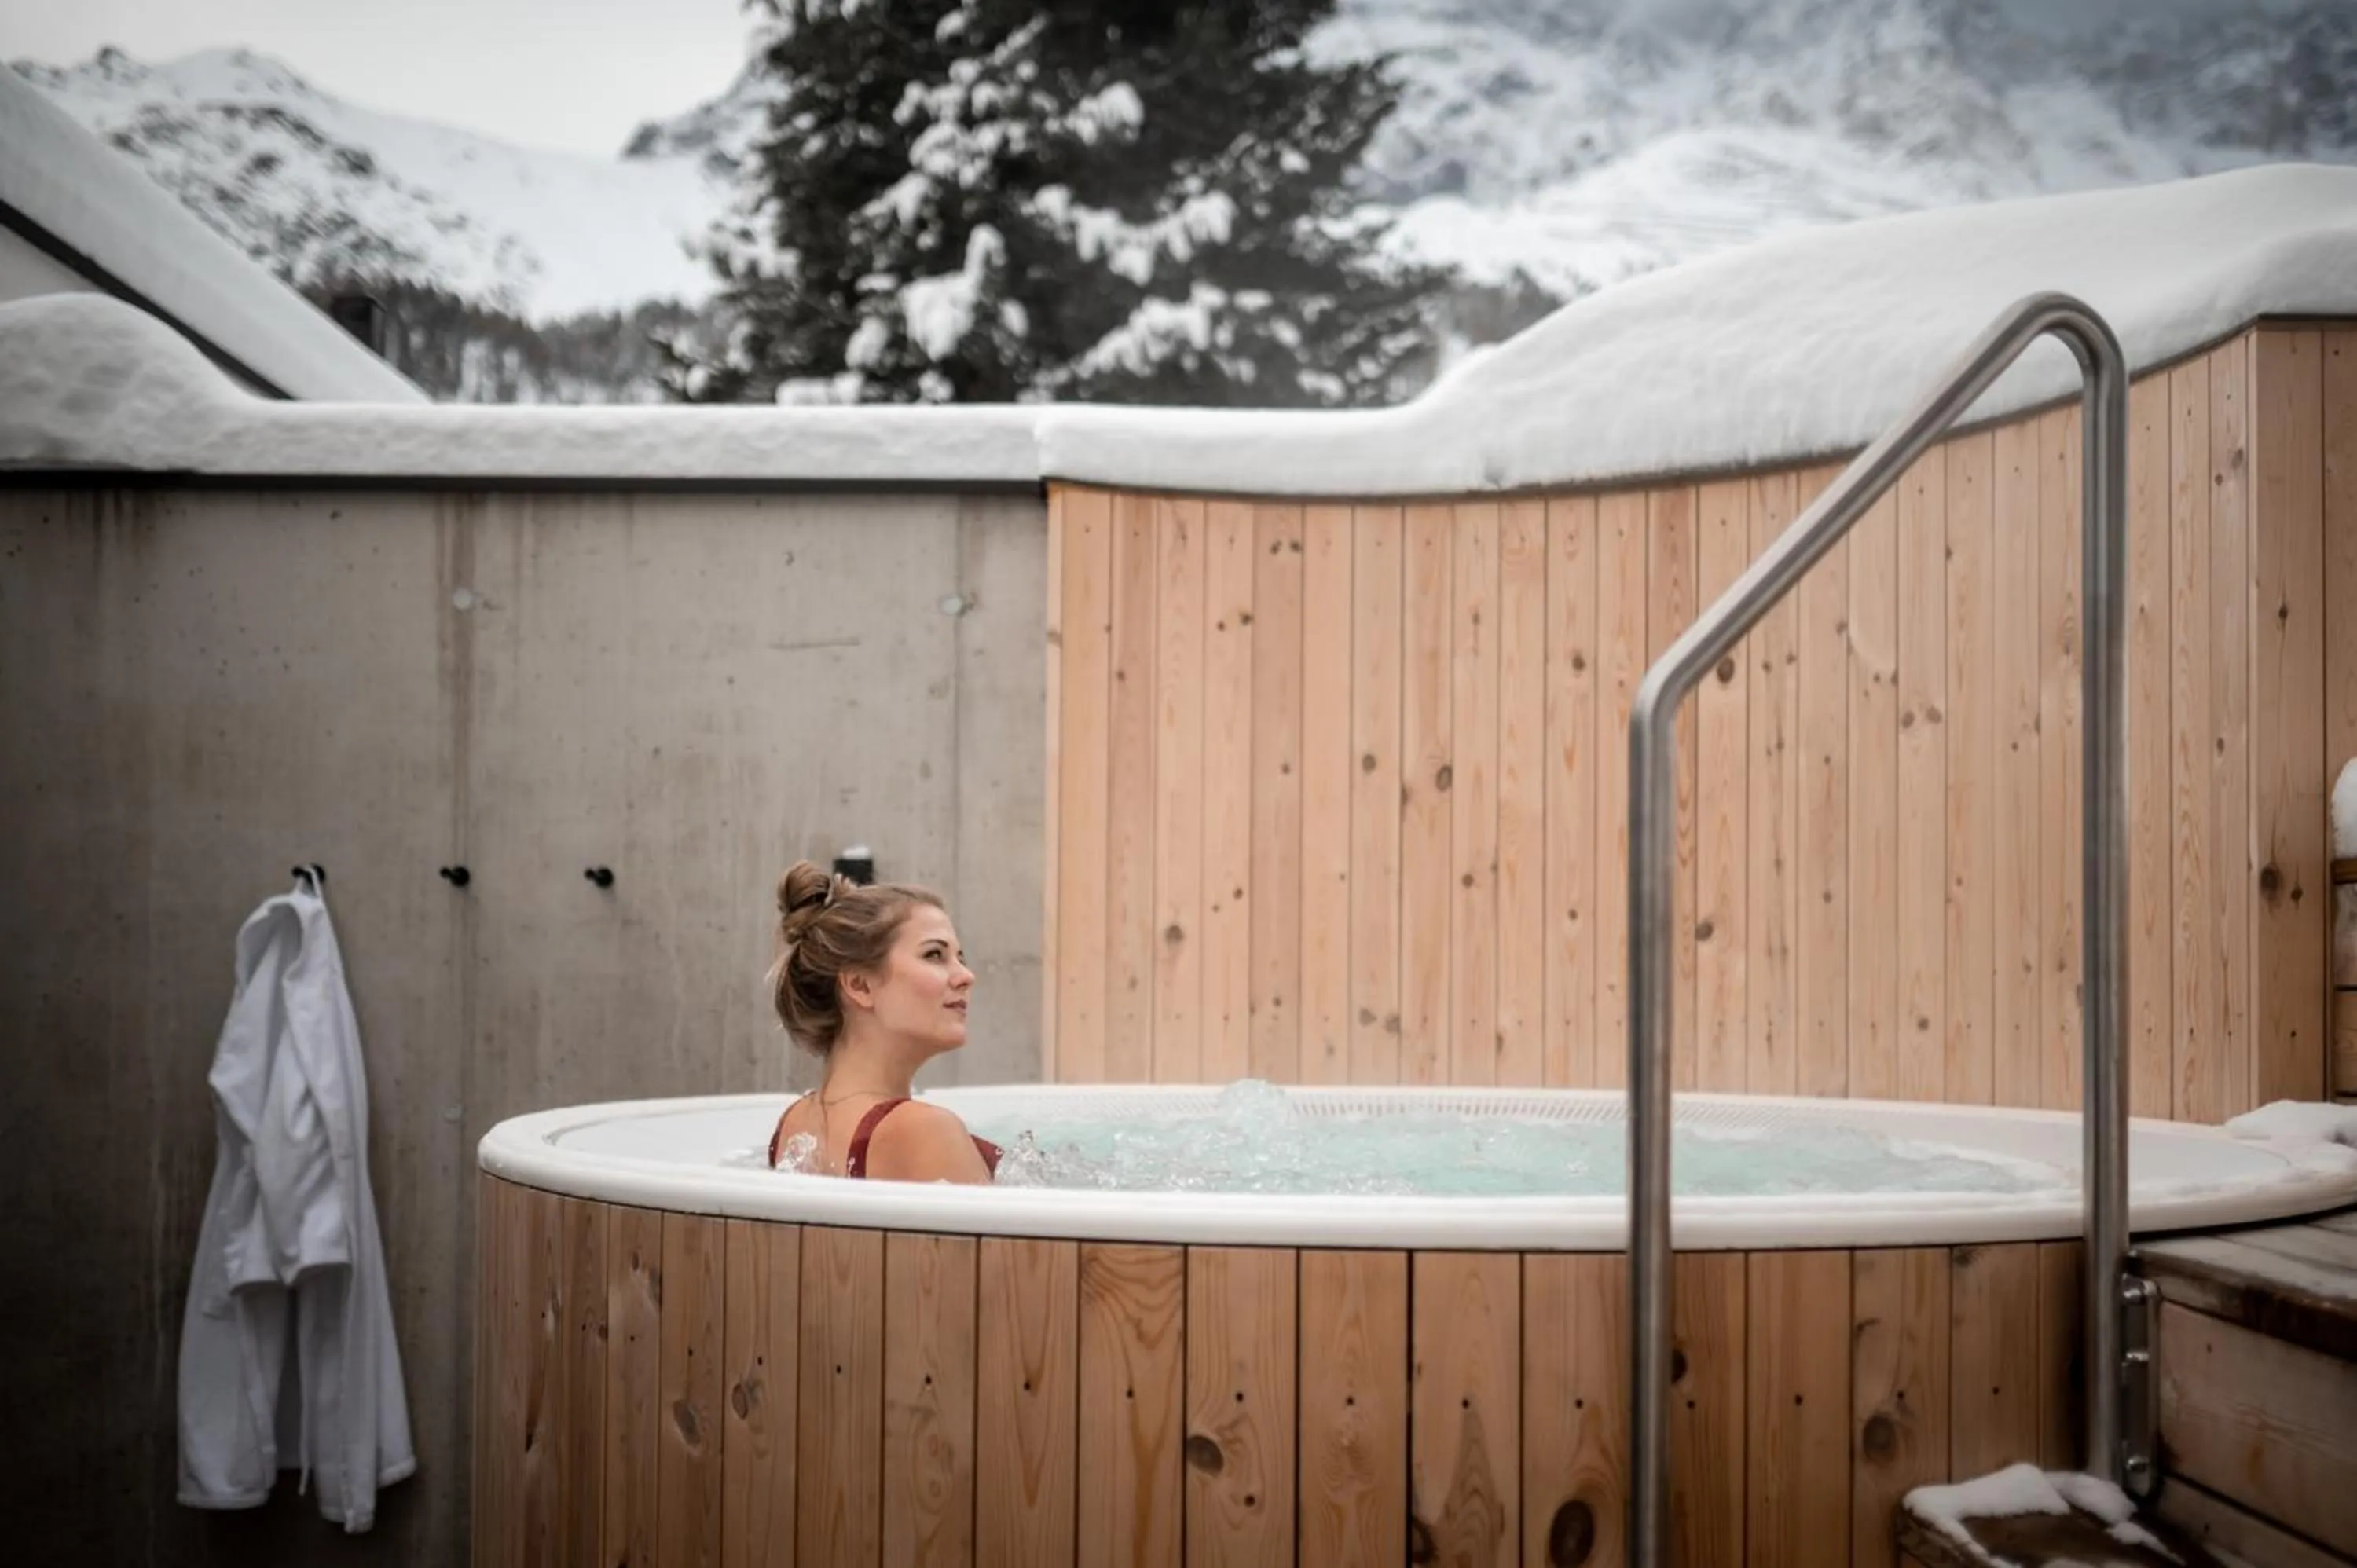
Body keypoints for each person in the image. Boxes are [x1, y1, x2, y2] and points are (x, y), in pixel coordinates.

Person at [763, 860, 1002, 1183]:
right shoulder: (924, 1131)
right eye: (934, 955)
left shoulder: (793, 1125)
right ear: (860, 986)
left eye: (961, 958)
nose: (966, 976)